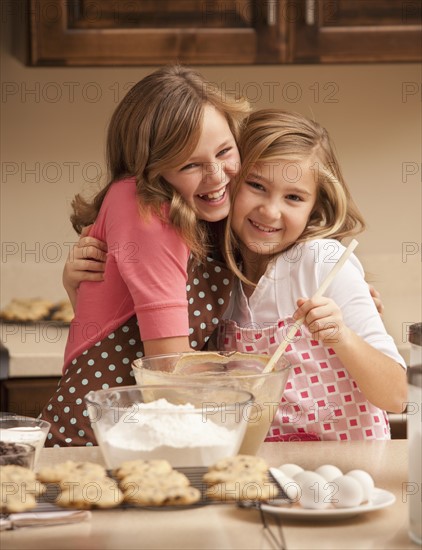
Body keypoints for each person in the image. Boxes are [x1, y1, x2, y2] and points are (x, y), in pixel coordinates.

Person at [41, 65, 250, 446]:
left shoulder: (207, 214)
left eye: (224, 151)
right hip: (98, 445)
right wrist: (258, 377)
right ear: (150, 169)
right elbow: (168, 369)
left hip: (151, 435)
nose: (217, 174)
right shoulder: (144, 207)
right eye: (190, 164)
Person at [218, 108, 406, 441]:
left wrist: (343, 336)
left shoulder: (323, 263)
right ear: (229, 182)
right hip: (270, 476)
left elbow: (397, 395)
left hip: (349, 473)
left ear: (314, 208)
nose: (270, 210)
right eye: (256, 185)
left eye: (293, 197)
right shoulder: (217, 276)